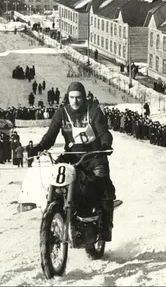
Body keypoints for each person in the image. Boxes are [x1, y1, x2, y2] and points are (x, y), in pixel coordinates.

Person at [29, 81, 116, 241]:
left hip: (94, 157)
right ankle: (55, 215)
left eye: (78, 98)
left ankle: (105, 226)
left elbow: (104, 132)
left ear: (84, 98)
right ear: (67, 98)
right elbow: (51, 135)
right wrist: (39, 147)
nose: (75, 101)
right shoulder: (62, 113)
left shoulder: (93, 111)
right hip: (72, 157)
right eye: (72, 97)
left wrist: (105, 145)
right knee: (57, 184)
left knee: (103, 186)